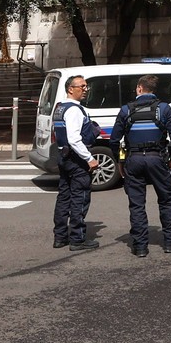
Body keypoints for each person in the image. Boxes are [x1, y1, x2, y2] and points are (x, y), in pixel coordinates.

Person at [109, 73, 171, 256]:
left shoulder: (126, 110)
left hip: (133, 160)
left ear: (140, 88)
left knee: (137, 204)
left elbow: (114, 140)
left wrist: (121, 160)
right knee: (167, 200)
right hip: (157, 159)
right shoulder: (164, 109)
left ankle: (140, 247)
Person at [50, 74, 100, 252]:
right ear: (71, 89)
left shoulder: (60, 108)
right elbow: (74, 139)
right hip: (76, 159)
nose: (85, 90)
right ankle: (77, 238)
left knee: (64, 197)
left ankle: (60, 237)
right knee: (80, 197)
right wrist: (90, 159)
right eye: (82, 86)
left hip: (64, 157)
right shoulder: (73, 110)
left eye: (86, 86)